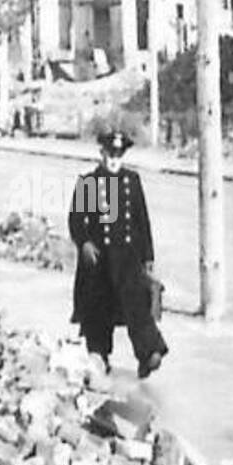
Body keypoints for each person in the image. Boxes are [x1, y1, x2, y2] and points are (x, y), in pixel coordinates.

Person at [68, 129, 167, 378]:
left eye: (119, 154)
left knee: (137, 307)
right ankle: (99, 356)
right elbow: (76, 220)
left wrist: (148, 257)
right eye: (110, 153)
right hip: (99, 260)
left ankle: (149, 353)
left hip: (127, 258)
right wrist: (84, 243)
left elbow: (142, 221)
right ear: (102, 153)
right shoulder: (88, 183)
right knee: (98, 310)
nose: (114, 159)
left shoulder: (132, 181)